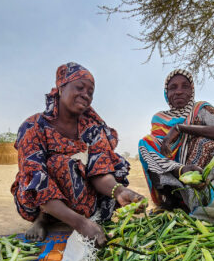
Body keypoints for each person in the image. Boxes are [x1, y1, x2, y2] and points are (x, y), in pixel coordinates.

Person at [11, 62, 144, 245]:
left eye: (90, 92)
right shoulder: (33, 127)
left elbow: (100, 171)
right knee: (60, 163)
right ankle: (44, 218)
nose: (85, 94)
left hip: (79, 195)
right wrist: (80, 224)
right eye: (80, 87)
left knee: (111, 173)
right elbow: (34, 178)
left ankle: (79, 217)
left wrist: (119, 191)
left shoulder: (92, 129)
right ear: (61, 87)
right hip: (41, 200)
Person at [138, 69, 214, 211]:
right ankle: (172, 197)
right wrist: (180, 169)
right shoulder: (159, 118)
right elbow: (157, 152)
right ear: (166, 93)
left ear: (192, 91)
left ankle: (195, 198)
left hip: (199, 178)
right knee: (145, 143)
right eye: (173, 87)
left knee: (204, 143)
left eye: (185, 86)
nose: (179, 91)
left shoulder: (200, 110)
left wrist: (181, 128)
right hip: (173, 182)